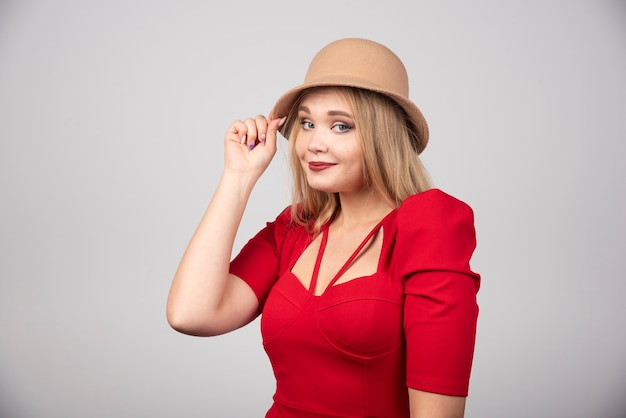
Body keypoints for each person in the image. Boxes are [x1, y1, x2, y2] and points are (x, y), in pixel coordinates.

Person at [167, 38, 480, 418]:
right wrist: (238, 176)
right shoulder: (294, 227)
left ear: (383, 135)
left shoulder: (429, 224)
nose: (314, 143)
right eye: (307, 123)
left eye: (341, 126)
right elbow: (191, 314)